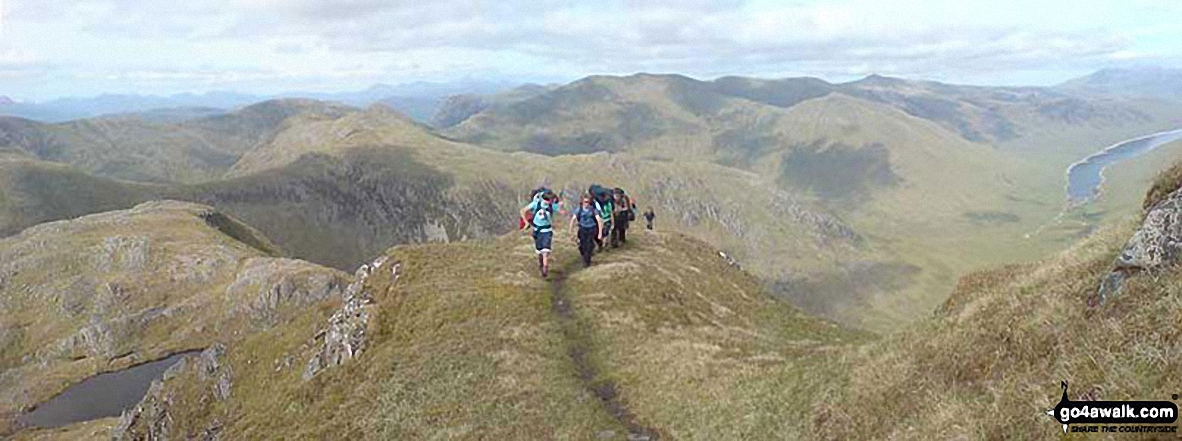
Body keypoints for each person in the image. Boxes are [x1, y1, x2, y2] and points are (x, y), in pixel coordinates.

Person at [521, 190, 558, 277]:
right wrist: (526, 222)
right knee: (539, 250)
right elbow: (523, 210)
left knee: (545, 250)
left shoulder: (552, 206)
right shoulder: (536, 204)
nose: (550, 202)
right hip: (537, 231)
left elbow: (561, 210)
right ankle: (542, 264)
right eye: (549, 200)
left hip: (547, 230)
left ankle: (545, 268)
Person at [568, 193, 604, 267]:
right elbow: (573, 219)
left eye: (588, 202)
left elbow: (599, 220)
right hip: (582, 228)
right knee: (582, 245)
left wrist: (600, 233)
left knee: (589, 245)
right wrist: (570, 231)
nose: (586, 204)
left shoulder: (593, 210)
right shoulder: (579, 209)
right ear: (582, 202)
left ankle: (587, 261)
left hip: (591, 228)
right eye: (585, 202)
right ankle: (584, 255)